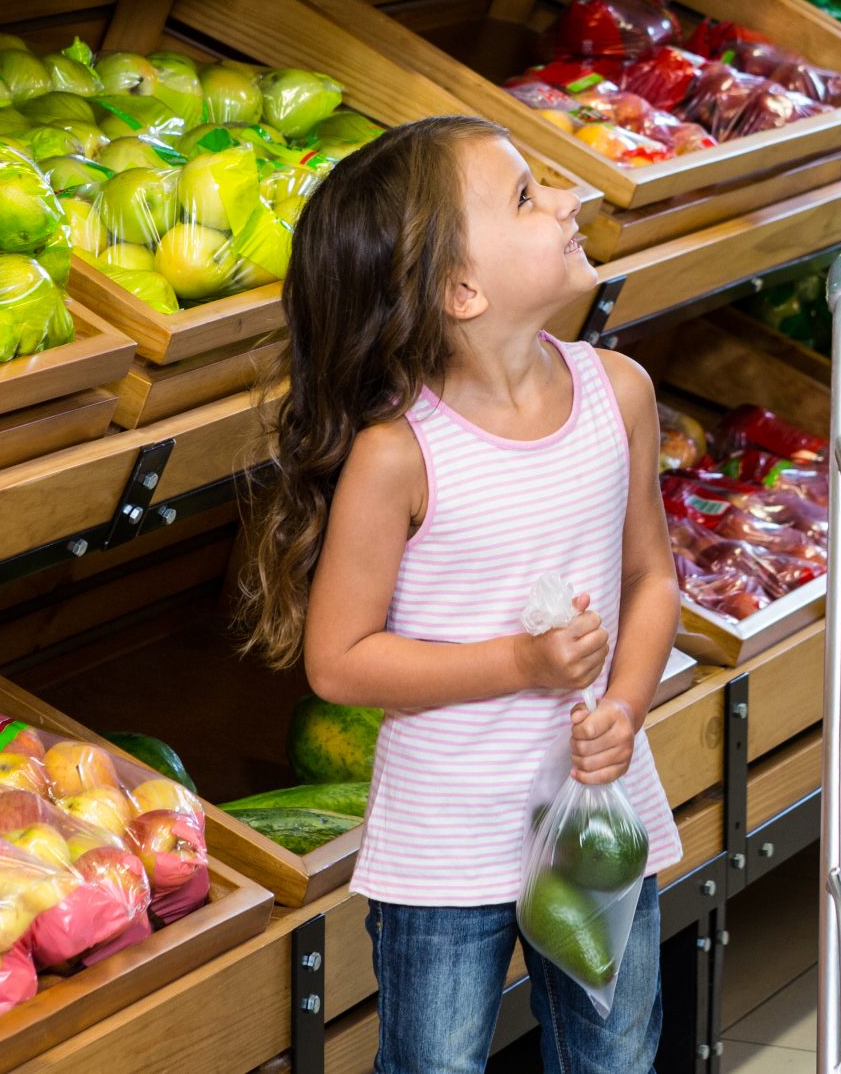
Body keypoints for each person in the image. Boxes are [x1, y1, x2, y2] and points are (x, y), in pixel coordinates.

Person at [234, 116, 682, 1074]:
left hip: (595, 817)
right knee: (434, 1062)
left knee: (617, 1055)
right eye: (526, 196)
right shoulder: (401, 455)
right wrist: (520, 663)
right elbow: (340, 659)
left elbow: (652, 576)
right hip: (445, 840)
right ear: (462, 290)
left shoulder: (620, 394)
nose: (569, 201)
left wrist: (628, 705)